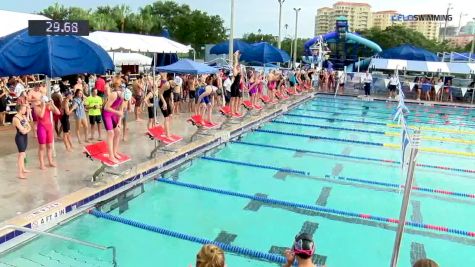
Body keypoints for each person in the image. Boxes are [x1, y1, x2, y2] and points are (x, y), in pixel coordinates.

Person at [34, 94, 60, 170]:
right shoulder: (37, 107)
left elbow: (58, 112)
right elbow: (41, 115)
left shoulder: (48, 106)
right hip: (41, 127)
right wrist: (44, 106)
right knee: (42, 147)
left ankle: (50, 161)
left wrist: (53, 104)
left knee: (49, 146)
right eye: (44, 101)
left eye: (46, 101)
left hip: (49, 127)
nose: (45, 102)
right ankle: (42, 164)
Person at [102, 79, 124, 164]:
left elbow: (121, 110)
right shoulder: (114, 94)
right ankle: (110, 156)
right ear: (118, 87)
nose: (123, 88)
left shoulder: (123, 95)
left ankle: (114, 152)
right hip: (107, 113)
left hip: (113, 114)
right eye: (121, 86)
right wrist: (117, 112)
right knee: (111, 133)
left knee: (118, 131)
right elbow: (106, 107)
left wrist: (119, 123)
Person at [13, 104, 31, 179]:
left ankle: (23, 169)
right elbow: (22, 130)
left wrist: (26, 129)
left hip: (24, 137)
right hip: (19, 137)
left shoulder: (23, 116)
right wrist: (26, 129)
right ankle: (20, 173)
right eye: (24, 109)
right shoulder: (16, 118)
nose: (25, 110)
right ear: (20, 110)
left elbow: (29, 127)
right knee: (21, 154)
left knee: (23, 154)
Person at [158, 73, 174, 138]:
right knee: (166, 118)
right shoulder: (166, 84)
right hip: (162, 102)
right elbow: (160, 93)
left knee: (170, 116)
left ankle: (165, 130)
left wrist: (172, 101)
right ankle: (167, 135)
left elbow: (171, 93)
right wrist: (164, 103)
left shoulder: (174, 83)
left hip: (167, 101)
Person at [230, 51, 242, 116]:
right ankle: (231, 111)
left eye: (239, 67)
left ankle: (235, 110)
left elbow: (238, 63)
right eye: (238, 67)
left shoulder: (239, 71)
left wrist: (238, 56)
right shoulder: (235, 70)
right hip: (234, 86)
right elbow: (235, 63)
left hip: (237, 86)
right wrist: (235, 56)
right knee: (233, 99)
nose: (239, 67)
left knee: (237, 99)